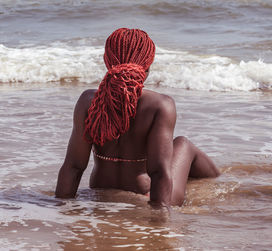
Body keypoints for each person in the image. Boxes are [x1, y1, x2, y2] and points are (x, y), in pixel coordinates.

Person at [55, 28, 220, 207]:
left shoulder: (88, 100)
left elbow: (73, 167)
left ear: (106, 61)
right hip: (145, 197)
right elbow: (159, 171)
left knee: (178, 146)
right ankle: (221, 180)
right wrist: (159, 223)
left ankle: (218, 178)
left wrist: (61, 210)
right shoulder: (161, 104)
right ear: (148, 65)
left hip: (100, 192)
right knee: (182, 144)